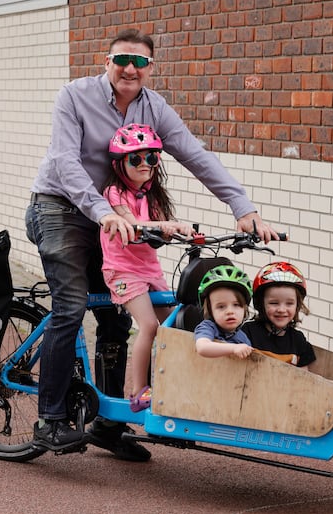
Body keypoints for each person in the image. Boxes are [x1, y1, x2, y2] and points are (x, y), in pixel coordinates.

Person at [25, 27, 279, 459]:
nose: (130, 68)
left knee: (114, 318)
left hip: (114, 217)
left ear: (150, 68)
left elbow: (195, 155)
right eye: (122, 59)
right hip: (62, 207)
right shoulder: (75, 96)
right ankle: (49, 419)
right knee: (71, 305)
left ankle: (109, 421)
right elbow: (66, 162)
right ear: (106, 62)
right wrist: (104, 212)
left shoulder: (153, 107)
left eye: (140, 62)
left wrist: (242, 206)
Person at [100, 123, 195, 412]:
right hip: (122, 270)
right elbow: (133, 224)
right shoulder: (114, 192)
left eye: (151, 158)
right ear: (120, 164)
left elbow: (161, 229)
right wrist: (167, 225)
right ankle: (138, 390)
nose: (145, 164)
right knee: (150, 325)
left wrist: (180, 231)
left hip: (150, 269)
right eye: (136, 159)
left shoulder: (153, 195)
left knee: (175, 326)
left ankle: (172, 383)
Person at [241, 262, 316, 368]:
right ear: (261, 304)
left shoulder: (298, 341)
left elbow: (306, 378)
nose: (281, 310)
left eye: (289, 303)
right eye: (274, 303)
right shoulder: (248, 332)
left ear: (297, 305)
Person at [193, 265, 254, 359]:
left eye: (236, 305)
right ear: (210, 310)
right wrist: (234, 348)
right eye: (221, 306)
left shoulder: (243, 338)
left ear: (244, 308)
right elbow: (202, 347)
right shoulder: (208, 327)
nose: (230, 311)